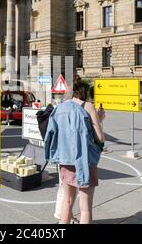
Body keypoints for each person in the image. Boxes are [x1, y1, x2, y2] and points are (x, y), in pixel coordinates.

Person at [45, 77, 105, 224]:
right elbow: (100, 138)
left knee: (68, 201)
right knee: (85, 208)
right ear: (85, 93)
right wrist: (100, 119)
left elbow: (50, 134)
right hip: (85, 161)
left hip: (65, 160)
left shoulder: (60, 107)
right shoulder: (88, 106)